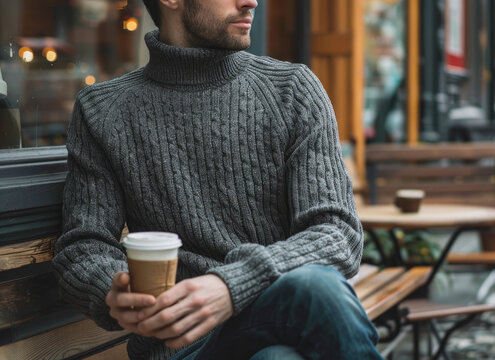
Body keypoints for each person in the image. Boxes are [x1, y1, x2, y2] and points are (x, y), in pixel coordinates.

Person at [52, 0, 381, 359]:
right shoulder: (103, 110)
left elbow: (337, 235)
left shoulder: (292, 90)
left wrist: (231, 285)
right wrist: (112, 289)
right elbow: (83, 245)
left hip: (279, 324)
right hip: (183, 344)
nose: (250, 1)